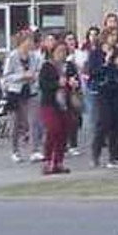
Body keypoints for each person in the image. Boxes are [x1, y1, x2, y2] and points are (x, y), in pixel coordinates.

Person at [87, 32, 118, 169]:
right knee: (104, 122)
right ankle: (95, 154)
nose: (114, 38)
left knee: (117, 123)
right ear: (105, 38)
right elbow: (93, 72)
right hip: (102, 90)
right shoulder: (96, 53)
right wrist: (106, 61)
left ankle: (115, 157)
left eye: (115, 36)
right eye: (111, 36)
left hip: (116, 90)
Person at [2, 33, 43, 163]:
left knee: (33, 121)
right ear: (22, 42)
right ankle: (15, 151)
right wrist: (22, 76)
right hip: (15, 92)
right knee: (15, 123)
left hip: (31, 90)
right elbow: (7, 76)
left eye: (32, 40)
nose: (31, 43)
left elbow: (39, 71)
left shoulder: (35, 56)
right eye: (29, 40)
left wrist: (34, 76)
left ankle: (35, 150)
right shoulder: (12, 56)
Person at [38, 43, 76, 174]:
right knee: (53, 129)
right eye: (59, 51)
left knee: (64, 132)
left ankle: (58, 161)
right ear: (52, 52)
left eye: (65, 51)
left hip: (64, 103)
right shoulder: (47, 66)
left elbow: (74, 79)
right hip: (49, 103)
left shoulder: (69, 66)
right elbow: (43, 85)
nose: (62, 54)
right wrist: (57, 84)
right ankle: (48, 160)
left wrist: (73, 83)